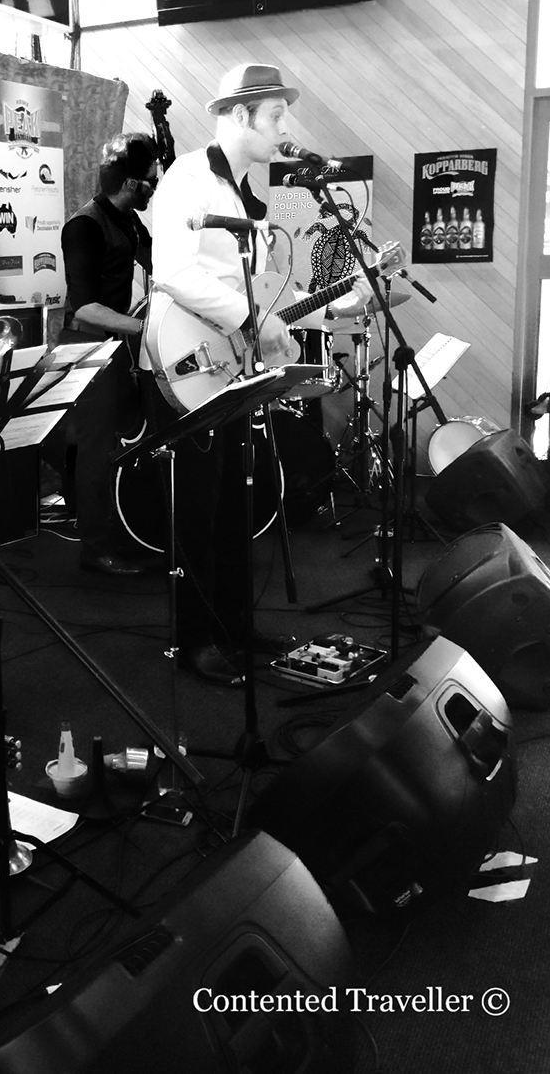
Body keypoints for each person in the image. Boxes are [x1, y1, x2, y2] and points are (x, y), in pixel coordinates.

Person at [147, 63, 369, 684]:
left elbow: (270, 299)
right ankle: (195, 640)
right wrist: (252, 317)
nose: (283, 129)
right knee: (198, 509)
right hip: (189, 363)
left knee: (236, 505)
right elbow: (173, 272)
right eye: (275, 116)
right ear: (240, 115)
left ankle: (233, 627)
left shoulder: (247, 196)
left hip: (232, 368)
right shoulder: (187, 178)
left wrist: (338, 305)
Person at [58, 132, 158, 574]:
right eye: (152, 181)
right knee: (96, 449)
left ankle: (125, 529)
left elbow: (160, 265)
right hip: (86, 347)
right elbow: (84, 307)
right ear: (131, 183)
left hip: (116, 346)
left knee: (131, 438)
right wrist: (146, 328)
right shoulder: (83, 226)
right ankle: (95, 548)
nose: (155, 189)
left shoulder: (130, 221)